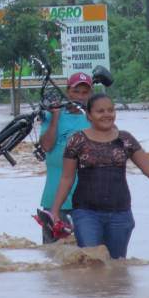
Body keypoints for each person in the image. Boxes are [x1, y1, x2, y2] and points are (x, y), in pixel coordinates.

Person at [50, 93, 149, 259]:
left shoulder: (125, 139)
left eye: (110, 110)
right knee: (91, 261)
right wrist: (54, 211)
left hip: (120, 214)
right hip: (86, 213)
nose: (106, 115)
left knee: (116, 265)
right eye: (100, 111)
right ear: (88, 115)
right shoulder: (77, 140)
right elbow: (67, 178)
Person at [38, 72, 94, 243]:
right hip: (54, 199)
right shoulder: (53, 114)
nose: (80, 96)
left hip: (86, 201)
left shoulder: (94, 118)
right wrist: (55, 117)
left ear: (91, 95)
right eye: (76, 92)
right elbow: (46, 146)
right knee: (52, 255)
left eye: (85, 93)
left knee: (87, 254)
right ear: (68, 92)